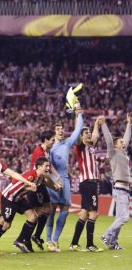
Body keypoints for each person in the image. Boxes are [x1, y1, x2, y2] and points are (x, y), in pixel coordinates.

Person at [2, 157, 61, 253]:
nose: (48, 168)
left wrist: (56, 187)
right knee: (6, 225)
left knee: (33, 216)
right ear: (39, 167)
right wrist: (30, 189)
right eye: (46, 166)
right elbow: (21, 185)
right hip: (9, 198)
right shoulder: (31, 175)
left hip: (18, 199)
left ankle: (19, 241)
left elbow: (46, 184)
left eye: (49, 166)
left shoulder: (40, 178)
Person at [46, 104, 83, 252]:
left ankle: (55, 240)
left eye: (62, 129)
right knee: (52, 209)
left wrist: (78, 113)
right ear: (54, 133)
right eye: (58, 129)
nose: (61, 131)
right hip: (54, 180)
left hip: (65, 179)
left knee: (65, 210)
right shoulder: (50, 147)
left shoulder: (67, 143)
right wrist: (53, 179)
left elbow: (78, 129)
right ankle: (48, 240)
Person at [70, 117, 104, 252]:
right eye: (86, 133)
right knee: (94, 214)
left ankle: (74, 243)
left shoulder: (90, 146)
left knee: (84, 213)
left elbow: (95, 136)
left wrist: (96, 123)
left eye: (89, 132)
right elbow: (78, 137)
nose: (89, 134)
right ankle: (90, 245)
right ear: (81, 136)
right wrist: (78, 123)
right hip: (88, 183)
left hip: (90, 184)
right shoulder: (80, 146)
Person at [101, 114, 131, 250]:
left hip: (125, 189)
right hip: (120, 188)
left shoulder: (123, 154)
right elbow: (108, 140)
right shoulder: (113, 153)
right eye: (120, 143)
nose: (123, 144)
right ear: (115, 145)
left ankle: (113, 242)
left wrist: (129, 124)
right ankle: (107, 235)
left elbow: (127, 139)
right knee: (124, 217)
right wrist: (103, 125)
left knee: (119, 217)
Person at [28, 130, 59, 250]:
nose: (54, 142)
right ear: (46, 140)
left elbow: (48, 169)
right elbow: (44, 172)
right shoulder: (39, 152)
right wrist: (54, 184)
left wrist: (56, 178)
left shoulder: (45, 151)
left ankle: (36, 235)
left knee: (47, 208)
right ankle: (26, 238)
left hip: (40, 183)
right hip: (35, 184)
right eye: (52, 140)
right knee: (37, 212)